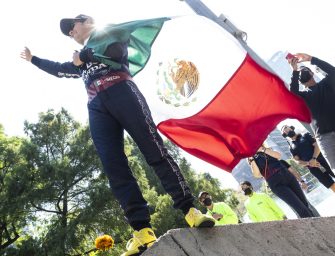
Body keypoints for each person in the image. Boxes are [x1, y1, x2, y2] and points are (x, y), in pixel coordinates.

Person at [20, 14, 215, 256]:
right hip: (97, 106)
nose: (71, 32)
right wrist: (33, 59)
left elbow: (115, 53)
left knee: (153, 150)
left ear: (85, 22)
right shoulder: (79, 61)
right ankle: (142, 231)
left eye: (72, 26)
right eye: (68, 31)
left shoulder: (108, 32)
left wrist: (86, 56)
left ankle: (190, 210)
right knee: (115, 168)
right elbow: (60, 70)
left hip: (122, 91)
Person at [288, 54, 335, 172]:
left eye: (304, 69)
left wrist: (311, 59)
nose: (301, 71)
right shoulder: (304, 96)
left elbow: (332, 71)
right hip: (324, 138)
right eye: (300, 72)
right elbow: (292, 92)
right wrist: (294, 71)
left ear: (312, 73)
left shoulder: (327, 84)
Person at [247, 144, 316, 218]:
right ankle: (313, 226)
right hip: (276, 183)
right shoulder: (251, 158)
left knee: (304, 204)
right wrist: (251, 158)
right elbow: (257, 174)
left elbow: (278, 156)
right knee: (299, 207)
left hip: (287, 175)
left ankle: (317, 223)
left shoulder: (266, 149)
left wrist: (262, 149)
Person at [281, 125, 335, 192]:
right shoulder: (291, 147)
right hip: (313, 169)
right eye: (284, 130)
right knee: (331, 185)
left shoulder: (305, 135)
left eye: (286, 127)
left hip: (324, 161)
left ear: (291, 128)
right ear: (284, 135)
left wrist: (314, 158)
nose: (286, 130)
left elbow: (317, 145)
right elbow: (297, 161)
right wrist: (308, 163)